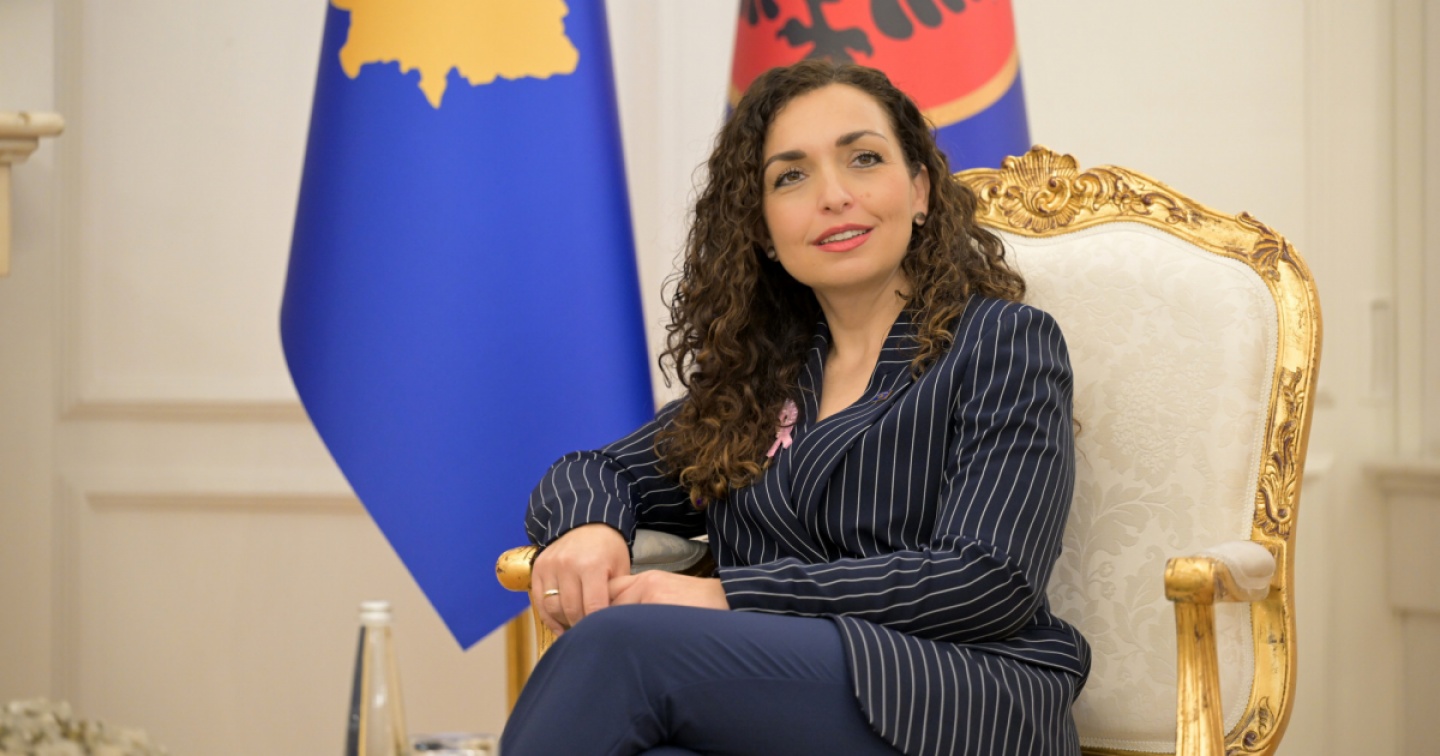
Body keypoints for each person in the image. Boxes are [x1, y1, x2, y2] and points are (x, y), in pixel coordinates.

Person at [501, 59, 1089, 756]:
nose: (834, 196)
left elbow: (987, 582)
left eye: (864, 159)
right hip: (782, 707)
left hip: (958, 697)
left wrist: (728, 595)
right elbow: (593, 470)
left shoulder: (1003, 343)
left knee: (620, 647)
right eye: (791, 177)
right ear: (762, 230)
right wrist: (589, 528)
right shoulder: (761, 377)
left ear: (921, 190)